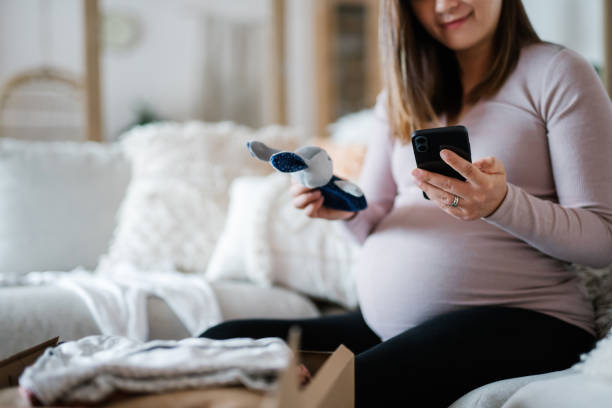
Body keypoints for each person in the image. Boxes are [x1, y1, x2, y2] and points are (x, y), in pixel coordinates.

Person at [201, 0, 612, 406]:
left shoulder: (558, 72)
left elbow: (602, 238)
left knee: (342, 390)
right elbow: (373, 218)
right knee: (217, 345)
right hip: (396, 326)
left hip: (531, 322)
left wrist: (500, 203)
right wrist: (342, 207)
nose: (446, 4)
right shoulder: (401, 92)